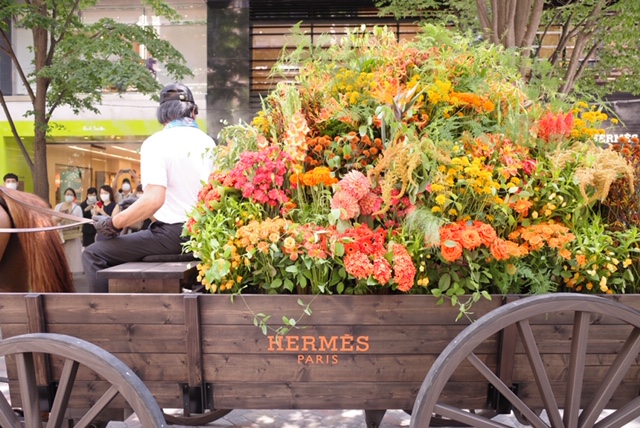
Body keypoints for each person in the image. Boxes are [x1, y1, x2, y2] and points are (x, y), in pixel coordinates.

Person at [83, 83, 215, 292]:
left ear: (162, 114)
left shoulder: (157, 142)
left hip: (173, 236)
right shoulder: (209, 142)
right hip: (206, 234)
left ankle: (105, 319)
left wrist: (112, 223)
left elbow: (154, 200)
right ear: (193, 111)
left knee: (93, 253)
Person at [54, 187, 83, 274]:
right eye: (67, 194)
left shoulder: (77, 208)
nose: (69, 196)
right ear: (64, 195)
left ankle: (70, 272)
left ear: (74, 196)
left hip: (72, 235)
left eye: (71, 195)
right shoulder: (58, 206)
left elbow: (80, 221)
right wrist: (60, 218)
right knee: (61, 255)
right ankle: (62, 272)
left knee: (72, 255)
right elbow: (53, 219)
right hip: (60, 234)